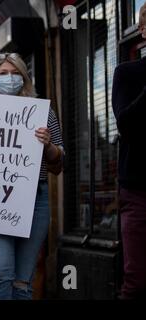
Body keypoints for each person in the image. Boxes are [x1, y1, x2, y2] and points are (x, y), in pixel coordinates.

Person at [0, 52, 65, 300]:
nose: (11, 78)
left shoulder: (43, 113)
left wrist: (48, 146)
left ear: (25, 77)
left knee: (22, 281)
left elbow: (59, 164)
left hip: (34, 202)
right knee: (0, 270)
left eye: (16, 73)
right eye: (4, 73)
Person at [111, 3, 146, 300]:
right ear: (143, 31)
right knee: (136, 278)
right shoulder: (127, 74)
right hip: (138, 190)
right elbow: (126, 123)